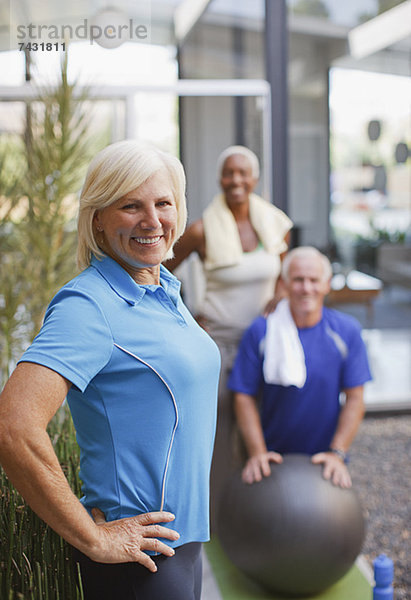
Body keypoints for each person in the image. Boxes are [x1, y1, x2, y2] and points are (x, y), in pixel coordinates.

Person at [0, 140, 221, 600]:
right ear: (97, 218)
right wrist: (94, 537)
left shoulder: (163, 288)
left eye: (163, 203)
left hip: (185, 548)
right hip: (141, 564)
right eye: (130, 205)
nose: (152, 220)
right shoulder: (89, 305)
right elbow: (14, 427)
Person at [165, 145, 293, 529]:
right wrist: (186, 317)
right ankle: (217, 516)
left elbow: (282, 273)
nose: (236, 180)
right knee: (218, 429)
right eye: (228, 173)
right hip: (217, 345)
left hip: (264, 345)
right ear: (220, 179)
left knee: (263, 424)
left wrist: (280, 294)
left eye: (243, 173)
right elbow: (158, 271)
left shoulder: (273, 224)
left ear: (255, 179)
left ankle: (263, 507)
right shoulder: (202, 230)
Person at [228, 246, 371, 489]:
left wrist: (338, 452)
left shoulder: (347, 331)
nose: (306, 288)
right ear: (284, 283)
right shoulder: (261, 331)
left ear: (327, 284)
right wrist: (257, 453)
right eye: (298, 280)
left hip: (324, 459)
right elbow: (243, 396)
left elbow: (355, 398)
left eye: (314, 280)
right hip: (272, 458)